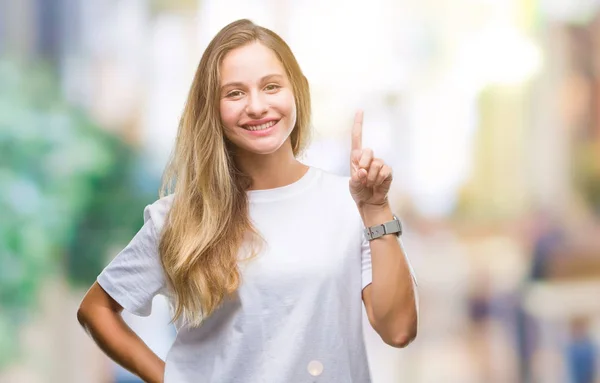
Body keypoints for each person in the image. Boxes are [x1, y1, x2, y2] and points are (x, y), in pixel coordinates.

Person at [76, 19, 418, 383]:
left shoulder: (350, 203)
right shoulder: (182, 217)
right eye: (235, 93)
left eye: (271, 86)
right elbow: (96, 308)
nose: (256, 106)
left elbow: (398, 330)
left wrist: (376, 209)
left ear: (295, 92)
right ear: (212, 108)